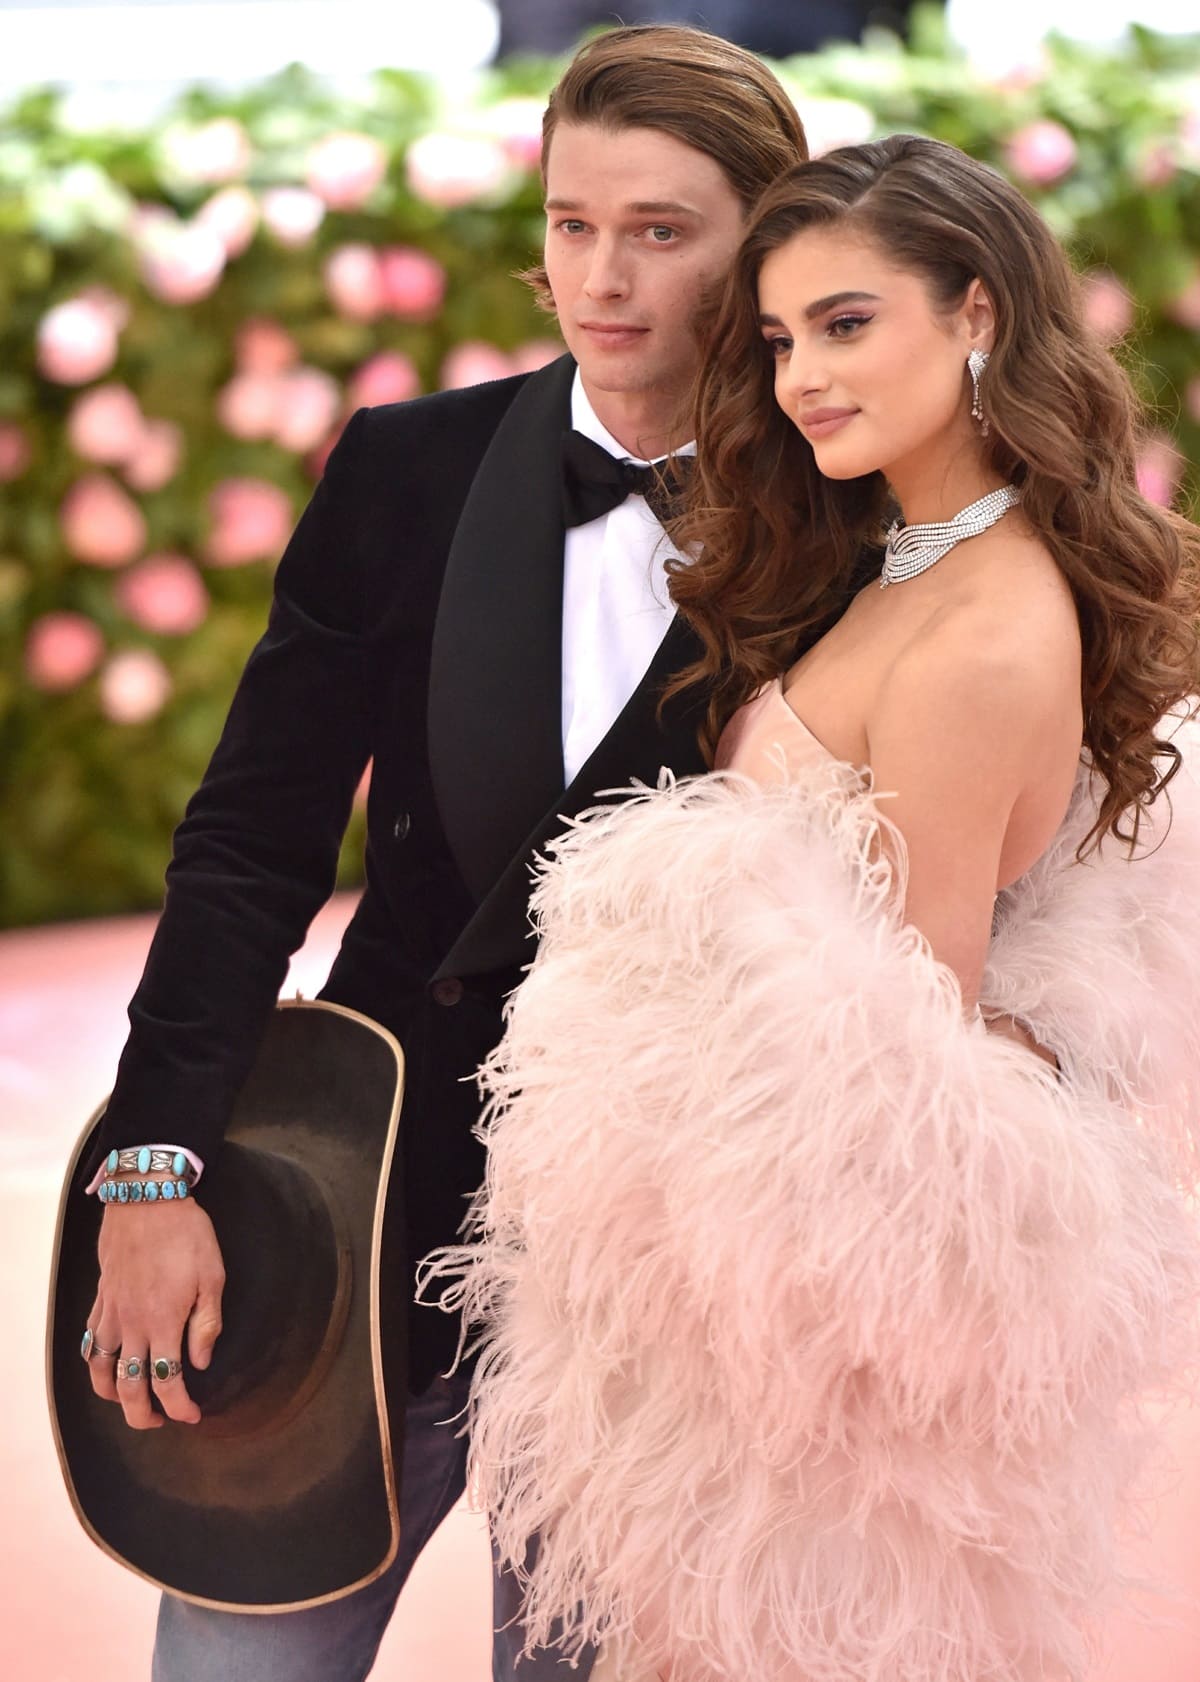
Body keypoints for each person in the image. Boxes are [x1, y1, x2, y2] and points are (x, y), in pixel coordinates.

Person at [74, 25, 809, 1682]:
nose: (600, 277)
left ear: (764, 243)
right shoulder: (408, 472)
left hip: (668, 1266)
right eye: (570, 223)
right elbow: (251, 843)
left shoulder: (846, 518)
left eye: (662, 230)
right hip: (368, 1195)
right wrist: (155, 1156)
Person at [429, 135, 1200, 1682]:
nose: (800, 379)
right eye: (781, 338)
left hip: (797, 1412)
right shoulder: (904, 559)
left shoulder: (983, 634)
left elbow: (903, 1063)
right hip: (704, 1348)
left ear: (975, 313)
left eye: (848, 325)